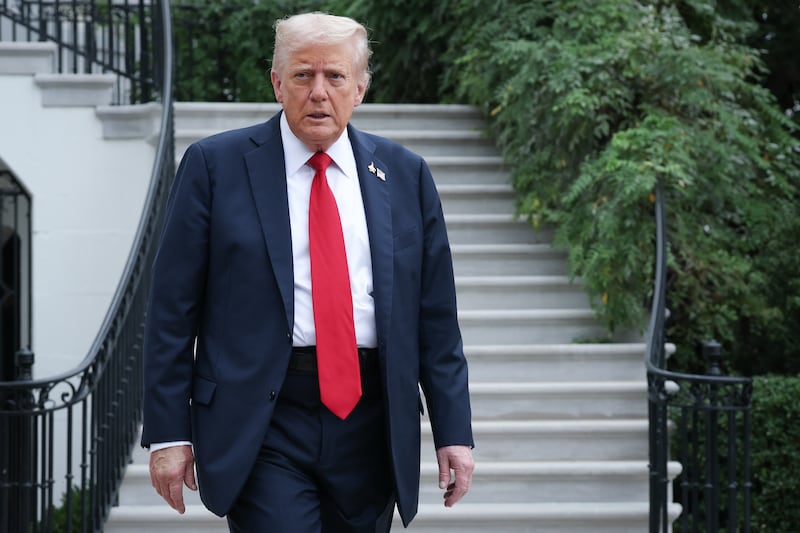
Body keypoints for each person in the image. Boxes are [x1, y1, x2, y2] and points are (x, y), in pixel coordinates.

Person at [141, 11, 474, 532]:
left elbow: (436, 318)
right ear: (277, 83)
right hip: (263, 417)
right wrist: (167, 434)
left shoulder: (405, 175)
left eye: (335, 76)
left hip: (372, 419)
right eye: (302, 75)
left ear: (360, 88)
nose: (319, 92)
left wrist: (455, 432)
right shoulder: (214, 167)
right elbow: (170, 312)